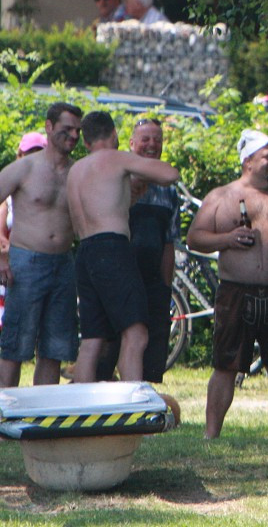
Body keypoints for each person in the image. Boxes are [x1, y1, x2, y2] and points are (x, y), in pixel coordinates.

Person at [188, 129, 268, 439]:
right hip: (235, 291)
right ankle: (211, 434)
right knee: (225, 366)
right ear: (248, 161)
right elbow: (195, 238)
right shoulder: (222, 195)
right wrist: (226, 239)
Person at [67, 112, 179, 383]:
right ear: (115, 136)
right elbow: (170, 174)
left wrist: (132, 194)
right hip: (112, 249)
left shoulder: (76, 170)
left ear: (85, 140)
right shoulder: (117, 158)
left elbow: (105, 209)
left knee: (93, 339)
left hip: (85, 252)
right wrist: (138, 166)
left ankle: (82, 413)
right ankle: (134, 407)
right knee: (137, 333)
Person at [0, 103, 83, 388]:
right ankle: (3, 417)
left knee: (55, 349)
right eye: (67, 128)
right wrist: (1, 255)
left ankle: (41, 422)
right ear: (49, 127)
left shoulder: (78, 172)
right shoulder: (24, 168)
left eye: (77, 131)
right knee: (14, 346)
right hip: (26, 262)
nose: (73, 135)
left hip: (64, 264)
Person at [0, 132, 48, 254]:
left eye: (39, 152)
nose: (34, 157)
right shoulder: (8, 187)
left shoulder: (52, 186)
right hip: (12, 254)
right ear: (20, 155)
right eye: (30, 152)